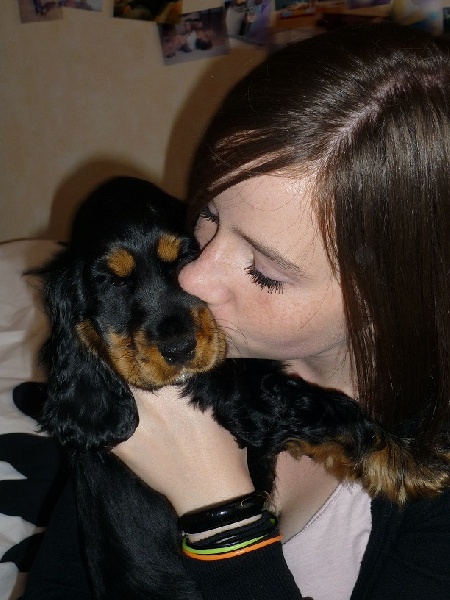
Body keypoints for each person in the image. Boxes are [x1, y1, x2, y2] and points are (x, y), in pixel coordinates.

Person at [24, 22, 450, 599]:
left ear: (389, 294)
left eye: (265, 270)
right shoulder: (152, 372)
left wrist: (215, 508)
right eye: (207, 217)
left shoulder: (434, 489)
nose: (194, 278)